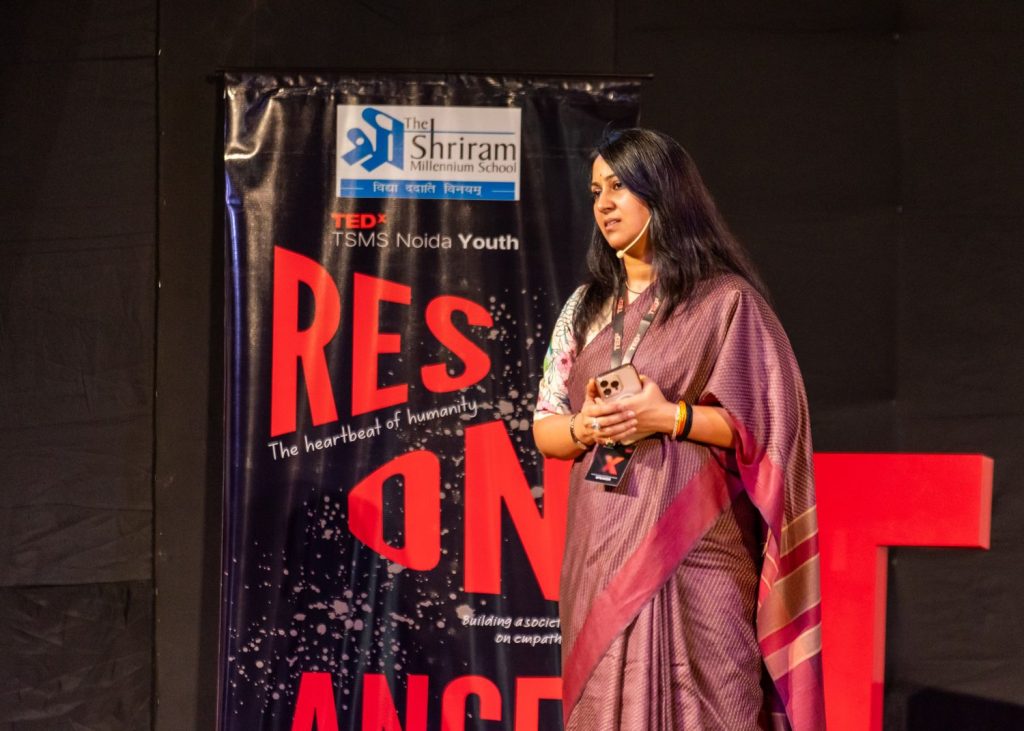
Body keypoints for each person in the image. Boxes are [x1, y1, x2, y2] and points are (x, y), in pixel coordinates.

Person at [533, 129, 825, 730]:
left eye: (619, 186)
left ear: (662, 192)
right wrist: (585, 426)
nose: (604, 204)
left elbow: (770, 423)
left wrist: (669, 417)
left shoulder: (724, 303)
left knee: (713, 702)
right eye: (595, 191)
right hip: (601, 548)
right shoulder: (584, 309)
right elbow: (545, 427)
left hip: (699, 551)